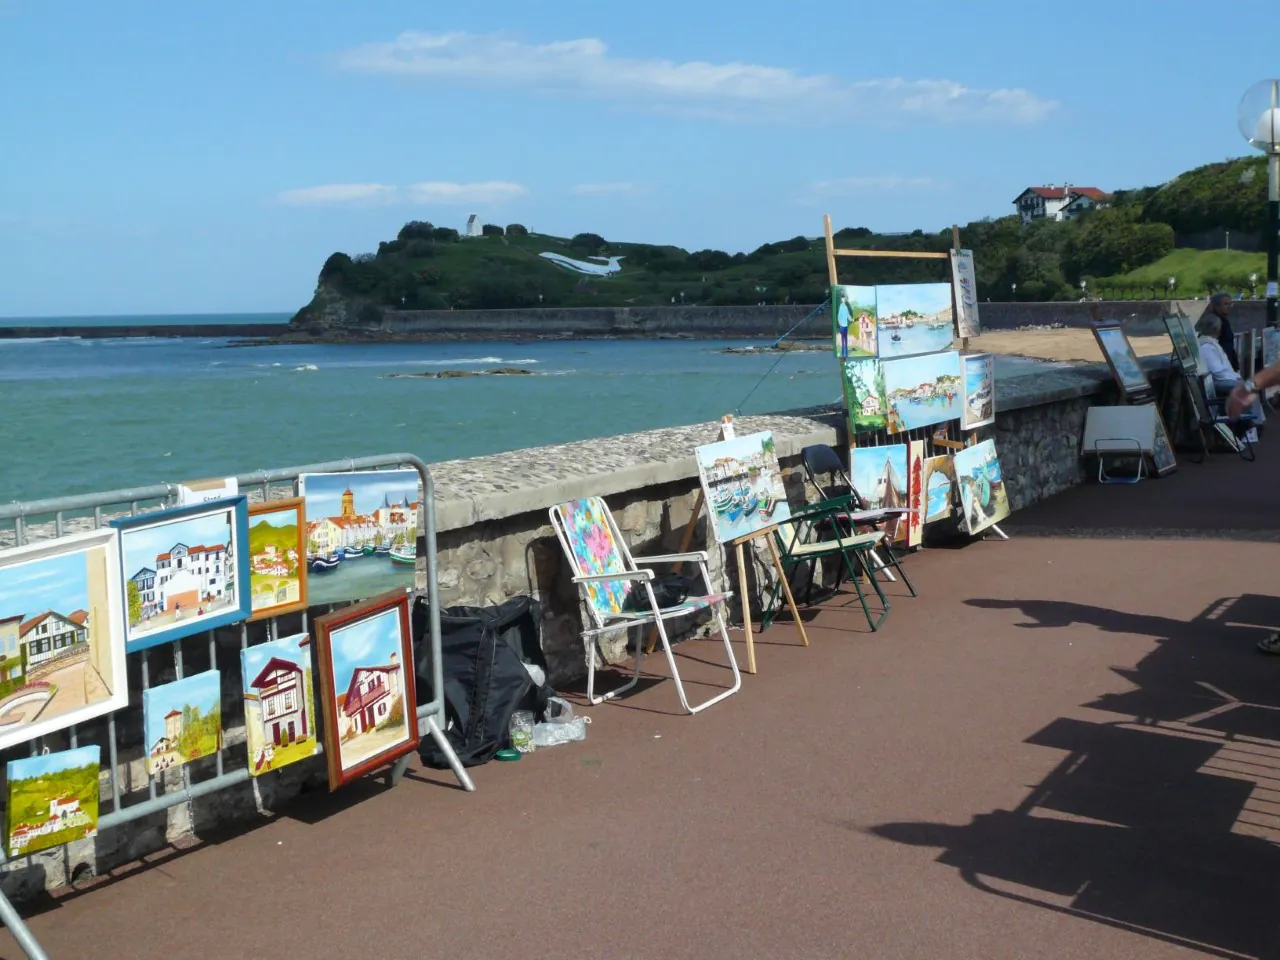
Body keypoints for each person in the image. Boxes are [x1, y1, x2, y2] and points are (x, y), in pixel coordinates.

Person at [1197, 312, 1265, 429]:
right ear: (1216, 329)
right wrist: (1236, 379)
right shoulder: (1206, 347)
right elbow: (1218, 373)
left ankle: (1255, 421)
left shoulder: (1210, 343)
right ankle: (1253, 423)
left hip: (1223, 379)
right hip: (1219, 382)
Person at [1202, 292, 1240, 371]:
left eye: (1230, 304)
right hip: (1220, 366)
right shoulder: (1214, 321)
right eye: (1226, 304)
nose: (1229, 307)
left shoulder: (1223, 320)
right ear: (1216, 305)